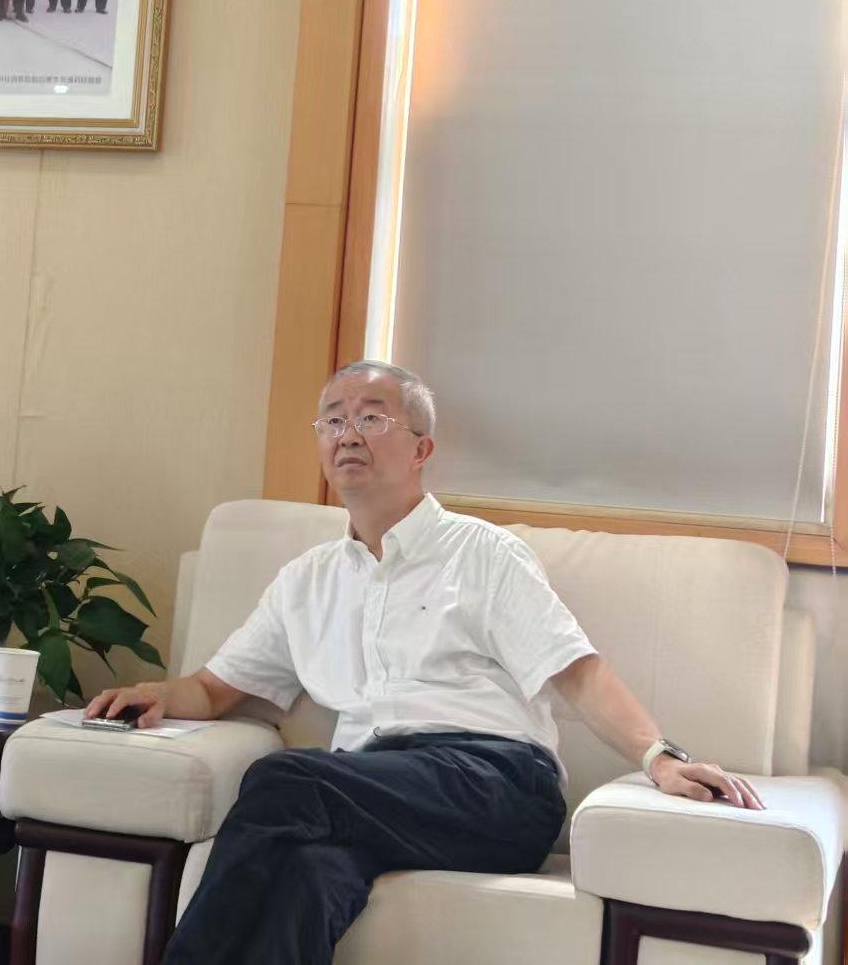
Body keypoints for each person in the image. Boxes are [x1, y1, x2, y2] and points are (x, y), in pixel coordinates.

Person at [87, 360, 765, 965]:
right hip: (370, 791)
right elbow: (214, 689)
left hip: (495, 785)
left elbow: (578, 673)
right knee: (309, 873)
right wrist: (159, 694)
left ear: (421, 448)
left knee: (283, 779)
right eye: (333, 419)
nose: (347, 434)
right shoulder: (305, 581)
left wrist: (660, 757)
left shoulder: (483, 554)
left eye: (371, 417)